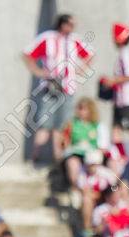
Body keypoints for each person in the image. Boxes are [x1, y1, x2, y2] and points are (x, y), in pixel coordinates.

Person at [23, 14, 95, 163]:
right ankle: (34, 159)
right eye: (69, 24)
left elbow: (90, 55)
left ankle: (58, 160)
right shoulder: (48, 38)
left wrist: (80, 71)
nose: (72, 28)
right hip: (50, 86)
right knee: (44, 124)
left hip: (67, 88)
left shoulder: (74, 40)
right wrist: (39, 72)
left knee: (62, 126)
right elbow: (27, 54)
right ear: (62, 24)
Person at [103, 22, 129, 132]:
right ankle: (117, 149)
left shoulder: (125, 54)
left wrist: (112, 81)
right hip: (119, 98)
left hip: (126, 98)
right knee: (116, 129)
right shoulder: (124, 53)